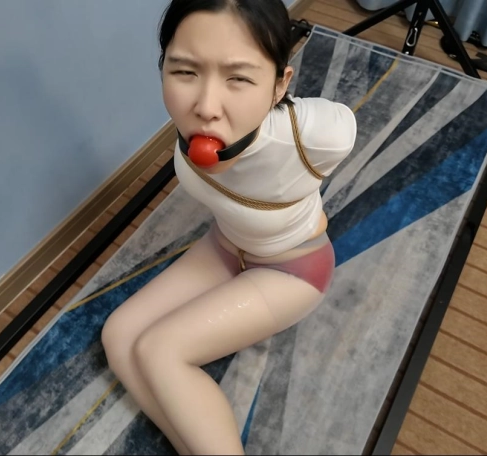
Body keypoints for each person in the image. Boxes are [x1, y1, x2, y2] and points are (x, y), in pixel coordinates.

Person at [100, 0, 357, 454]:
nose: (205, 107)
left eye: (238, 78)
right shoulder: (188, 125)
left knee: (161, 351)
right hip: (224, 246)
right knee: (118, 336)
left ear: (280, 84)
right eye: (184, 72)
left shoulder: (310, 135)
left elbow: (344, 126)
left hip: (292, 269)